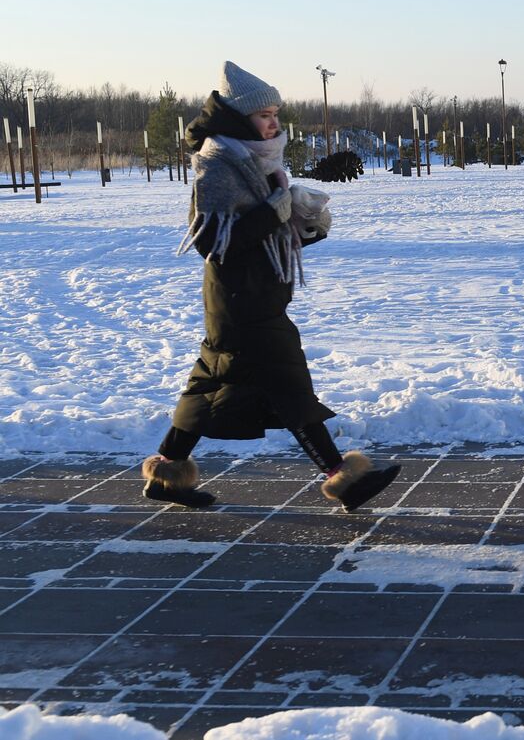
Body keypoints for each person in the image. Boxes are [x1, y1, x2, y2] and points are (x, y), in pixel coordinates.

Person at [142, 61, 399, 512]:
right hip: (242, 301)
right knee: (288, 385)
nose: (274, 122)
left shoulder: (254, 160)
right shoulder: (218, 164)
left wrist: (304, 223)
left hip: (250, 295)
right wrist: (279, 208)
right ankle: (344, 479)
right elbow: (212, 242)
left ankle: (166, 476)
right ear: (240, 118)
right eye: (265, 115)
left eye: (276, 113)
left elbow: (258, 231)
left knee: (209, 387)